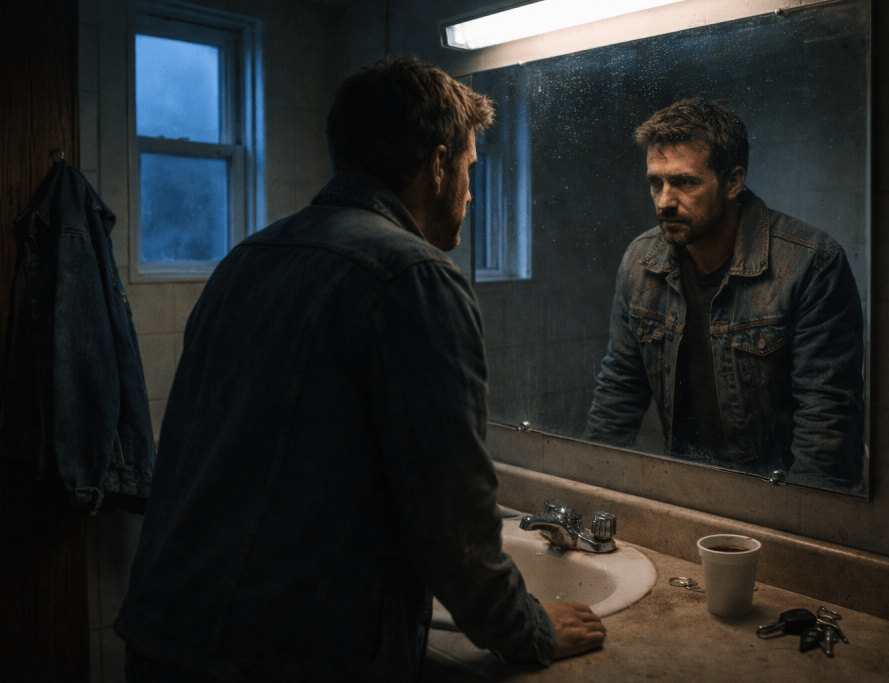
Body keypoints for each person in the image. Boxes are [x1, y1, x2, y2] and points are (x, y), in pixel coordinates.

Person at [115, 57, 605, 682]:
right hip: (279, 658)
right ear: (436, 165)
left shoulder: (246, 259)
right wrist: (527, 628)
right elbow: (452, 522)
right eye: (469, 169)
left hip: (163, 634)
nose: (472, 192)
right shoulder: (415, 277)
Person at [584, 97, 864, 490]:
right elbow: (618, 390)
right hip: (686, 492)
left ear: (733, 181)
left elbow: (827, 423)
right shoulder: (640, 261)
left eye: (685, 182)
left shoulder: (811, 264)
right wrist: (591, 487)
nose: (664, 201)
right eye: (656, 182)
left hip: (778, 502)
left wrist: (802, 534)